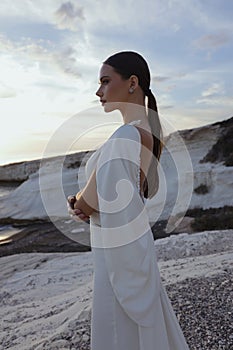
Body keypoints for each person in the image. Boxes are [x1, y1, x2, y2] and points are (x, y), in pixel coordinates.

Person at [67, 51, 189, 350]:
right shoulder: (145, 134)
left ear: (132, 82)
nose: (99, 91)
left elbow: (88, 204)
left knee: (120, 333)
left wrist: (76, 202)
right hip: (133, 251)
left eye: (106, 81)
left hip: (117, 258)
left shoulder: (125, 135)